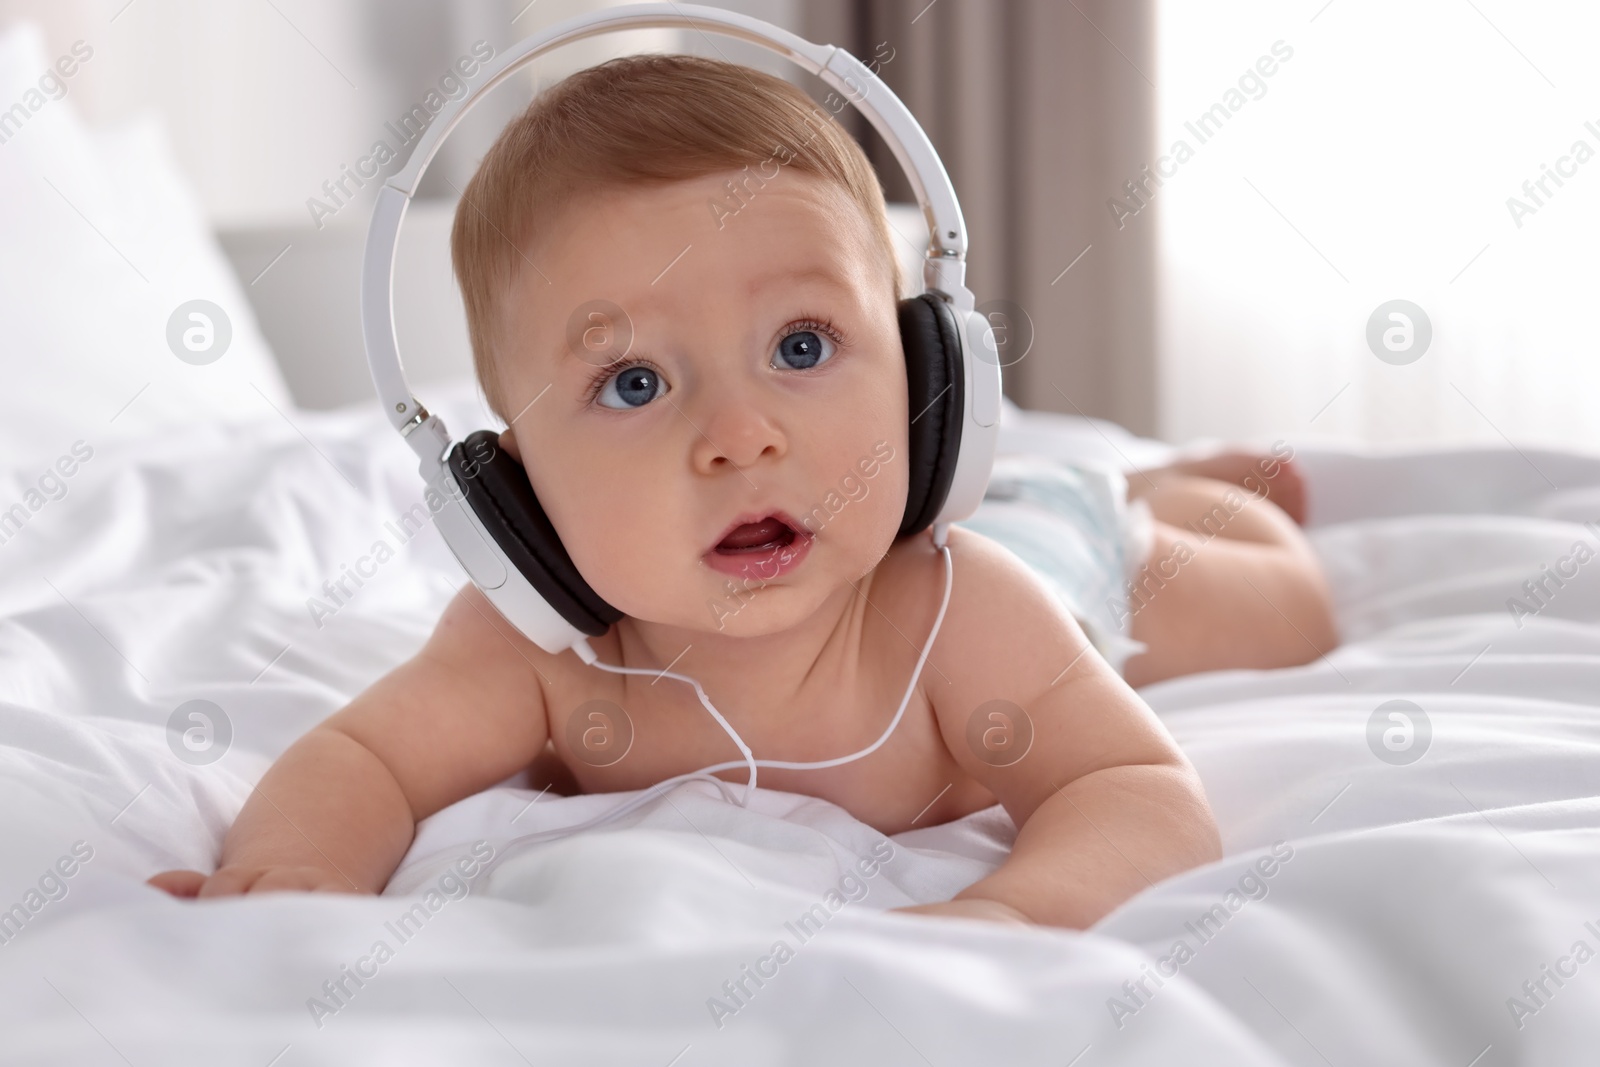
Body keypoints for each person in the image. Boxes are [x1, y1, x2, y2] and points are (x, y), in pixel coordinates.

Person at [148, 54, 1336, 929]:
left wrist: (1017, 912)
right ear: (511, 488)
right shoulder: (536, 650)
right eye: (633, 381)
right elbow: (364, 756)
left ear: (928, 374)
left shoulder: (962, 612)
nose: (739, 437)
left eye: (803, 347)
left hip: (1065, 553)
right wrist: (295, 865)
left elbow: (1129, 786)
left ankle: (1149, 492)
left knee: (1281, 606)